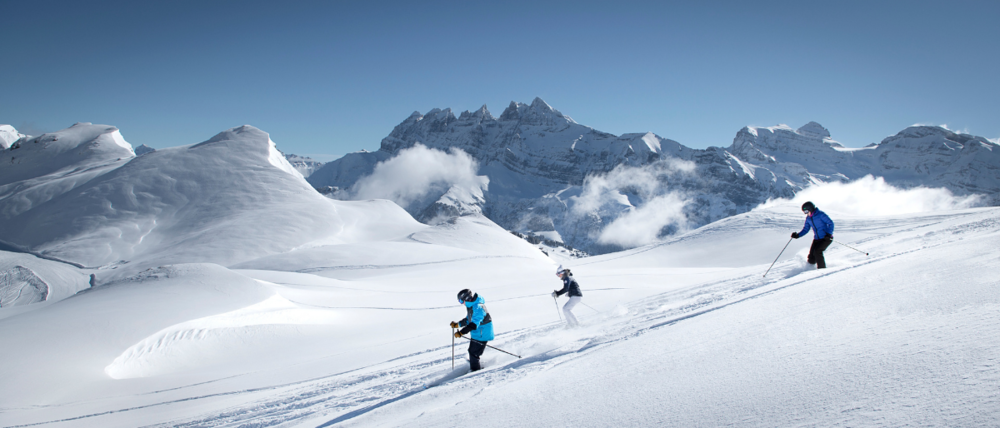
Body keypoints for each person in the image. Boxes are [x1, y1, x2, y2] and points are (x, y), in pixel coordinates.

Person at [450, 289, 494, 372]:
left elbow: (473, 325)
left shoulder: (478, 307)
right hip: (478, 333)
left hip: (483, 334)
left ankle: (475, 370)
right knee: (472, 351)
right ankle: (474, 362)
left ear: (465, 298)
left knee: (474, 352)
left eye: (460, 300)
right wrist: (458, 324)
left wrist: (461, 333)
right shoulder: (472, 306)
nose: (461, 303)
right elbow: (468, 320)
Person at [792, 201, 834, 269]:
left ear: (810, 209)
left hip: (826, 238)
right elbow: (806, 229)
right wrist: (798, 235)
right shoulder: (808, 218)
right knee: (811, 256)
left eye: (806, 211)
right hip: (817, 239)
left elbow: (831, 223)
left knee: (818, 251)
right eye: (804, 212)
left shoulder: (820, 214)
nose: (805, 213)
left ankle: (822, 269)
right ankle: (809, 268)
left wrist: (829, 234)